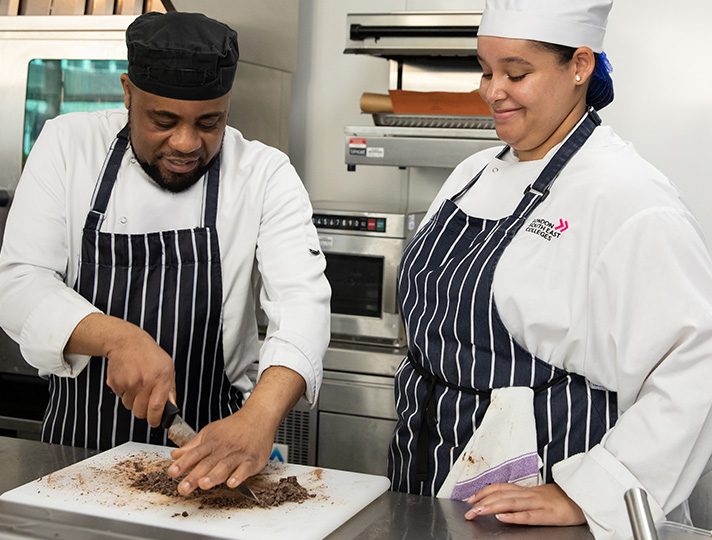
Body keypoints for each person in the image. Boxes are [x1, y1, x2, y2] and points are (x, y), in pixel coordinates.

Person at [387, 0, 712, 537]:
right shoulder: (473, 174)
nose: (492, 90)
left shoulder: (626, 195)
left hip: (540, 500)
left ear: (580, 66)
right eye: (486, 71)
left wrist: (586, 492)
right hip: (425, 474)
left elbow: (694, 365)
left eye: (516, 73)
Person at [0, 11, 330, 497]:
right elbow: (19, 282)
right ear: (128, 93)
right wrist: (116, 338)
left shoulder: (264, 173)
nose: (186, 143)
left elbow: (302, 303)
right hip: (77, 459)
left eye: (209, 122)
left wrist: (258, 418)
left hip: (212, 456)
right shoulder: (68, 145)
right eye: (163, 120)